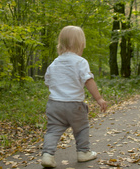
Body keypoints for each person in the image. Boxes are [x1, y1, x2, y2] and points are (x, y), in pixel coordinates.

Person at [41, 25, 107, 168]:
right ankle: (83, 152)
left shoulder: (54, 63)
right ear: (80, 45)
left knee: (53, 130)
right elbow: (88, 81)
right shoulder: (80, 62)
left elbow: (48, 82)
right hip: (74, 105)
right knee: (82, 128)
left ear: (61, 44)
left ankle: (47, 155)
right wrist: (99, 98)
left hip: (54, 104)